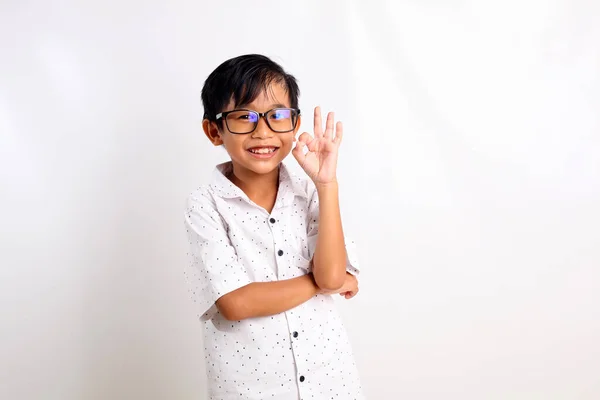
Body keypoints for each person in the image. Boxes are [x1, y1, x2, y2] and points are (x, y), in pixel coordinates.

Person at [184, 54, 364, 400]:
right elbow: (235, 303)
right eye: (244, 116)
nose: (262, 131)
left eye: (277, 115)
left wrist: (327, 185)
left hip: (331, 382)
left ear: (294, 125)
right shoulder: (205, 204)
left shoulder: (311, 191)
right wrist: (321, 284)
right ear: (213, 130)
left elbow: (331, 276)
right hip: (250, 390)